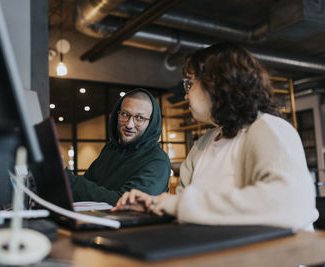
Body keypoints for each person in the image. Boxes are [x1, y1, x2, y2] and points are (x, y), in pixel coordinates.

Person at [113, 42, 319, 231]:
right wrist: (154, 205)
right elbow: (189, 211)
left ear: (218, 83)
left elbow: (288, 205)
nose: (186, 95)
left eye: (189, 84)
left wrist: (174, 205)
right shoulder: (203, 144)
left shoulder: (269, 128)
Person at [66, 88, 171, 205]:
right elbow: (85, 185)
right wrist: (63, 175)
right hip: (96, 220)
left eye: (140, 118)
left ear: (151, 123)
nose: (129, 124)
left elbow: (126, 204)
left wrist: (69, 180)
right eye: (125, 114)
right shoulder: (110, 149)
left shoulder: (157, 161)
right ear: (118, 115)